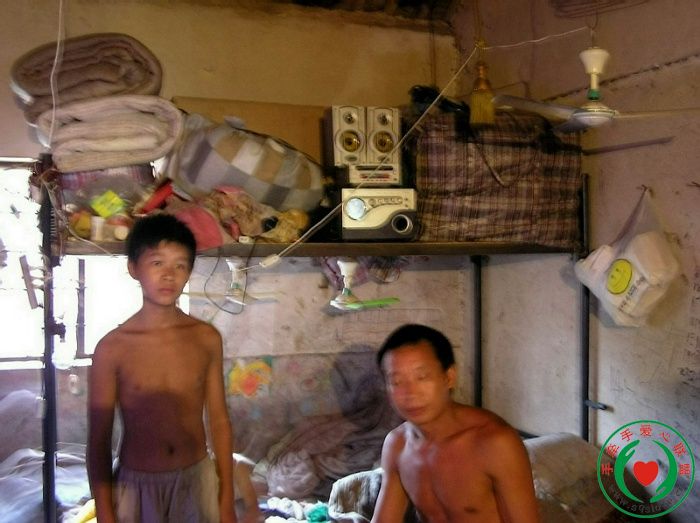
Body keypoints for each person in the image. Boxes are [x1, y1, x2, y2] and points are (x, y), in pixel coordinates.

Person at [87, 213, 237, 523]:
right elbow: (98, 439)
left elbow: (219, 421)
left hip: (196, 480)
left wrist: (225, 499)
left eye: (180, 265)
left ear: (189, 272)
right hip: (136, 486)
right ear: (133, 269)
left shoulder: (206, 338)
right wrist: (104, 512)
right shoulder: (112, 349)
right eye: (157, 263)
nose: (169, 275)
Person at [371, 324, 540, 523]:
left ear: (449, 377)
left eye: (422, 377)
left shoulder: (494, 443)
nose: (410, 394)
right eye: (397, 382)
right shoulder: (397, 445)